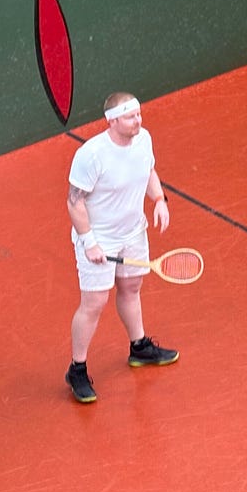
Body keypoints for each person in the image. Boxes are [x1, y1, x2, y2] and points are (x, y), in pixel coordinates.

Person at [64, 91, 178, 403]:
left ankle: (139, 347)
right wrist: (89, 242)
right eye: (130, 117)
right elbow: (74, 202)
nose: (137, 121)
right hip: (98, 238)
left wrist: (159, 200)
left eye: (138, 114)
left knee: (131, 287)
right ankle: (76, 369)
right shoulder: (91, 154)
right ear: (112, 121)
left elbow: (149, 171)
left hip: (133, 232)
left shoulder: (144, 140)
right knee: (94, 302)